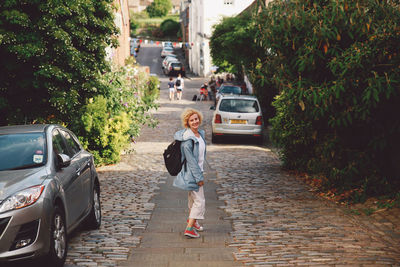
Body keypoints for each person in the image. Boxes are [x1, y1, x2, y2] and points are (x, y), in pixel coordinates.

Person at [173, 108, 206, 238]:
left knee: (192, 199)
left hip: (198, 171)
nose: (195, 122)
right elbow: (191, 161)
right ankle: (190, 228)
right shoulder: (188, 140)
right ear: (187, 122)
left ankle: (194, 222)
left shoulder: (200, 134)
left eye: (196, 119)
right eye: (191, 120)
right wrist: (198, 177)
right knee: (200, 201)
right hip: (193, 173)